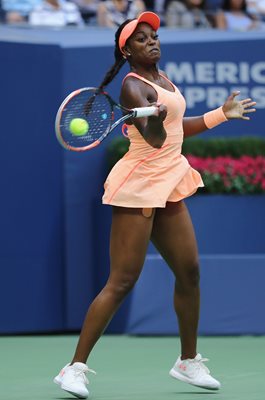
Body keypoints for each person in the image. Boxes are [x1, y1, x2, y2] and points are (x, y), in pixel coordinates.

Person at [53, 11, 256, 399]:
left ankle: (187, 361)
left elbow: (178, 129)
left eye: (154, 36)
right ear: (127, 49)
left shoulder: (163, 81)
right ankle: (74, 368)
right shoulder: (133, 87)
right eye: (142, 38)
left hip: (169, 183)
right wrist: (157, 119)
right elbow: (158, 139)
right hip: (139, 186)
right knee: (122, 281)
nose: (153, 41)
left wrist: (220, 115)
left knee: (190, 272)